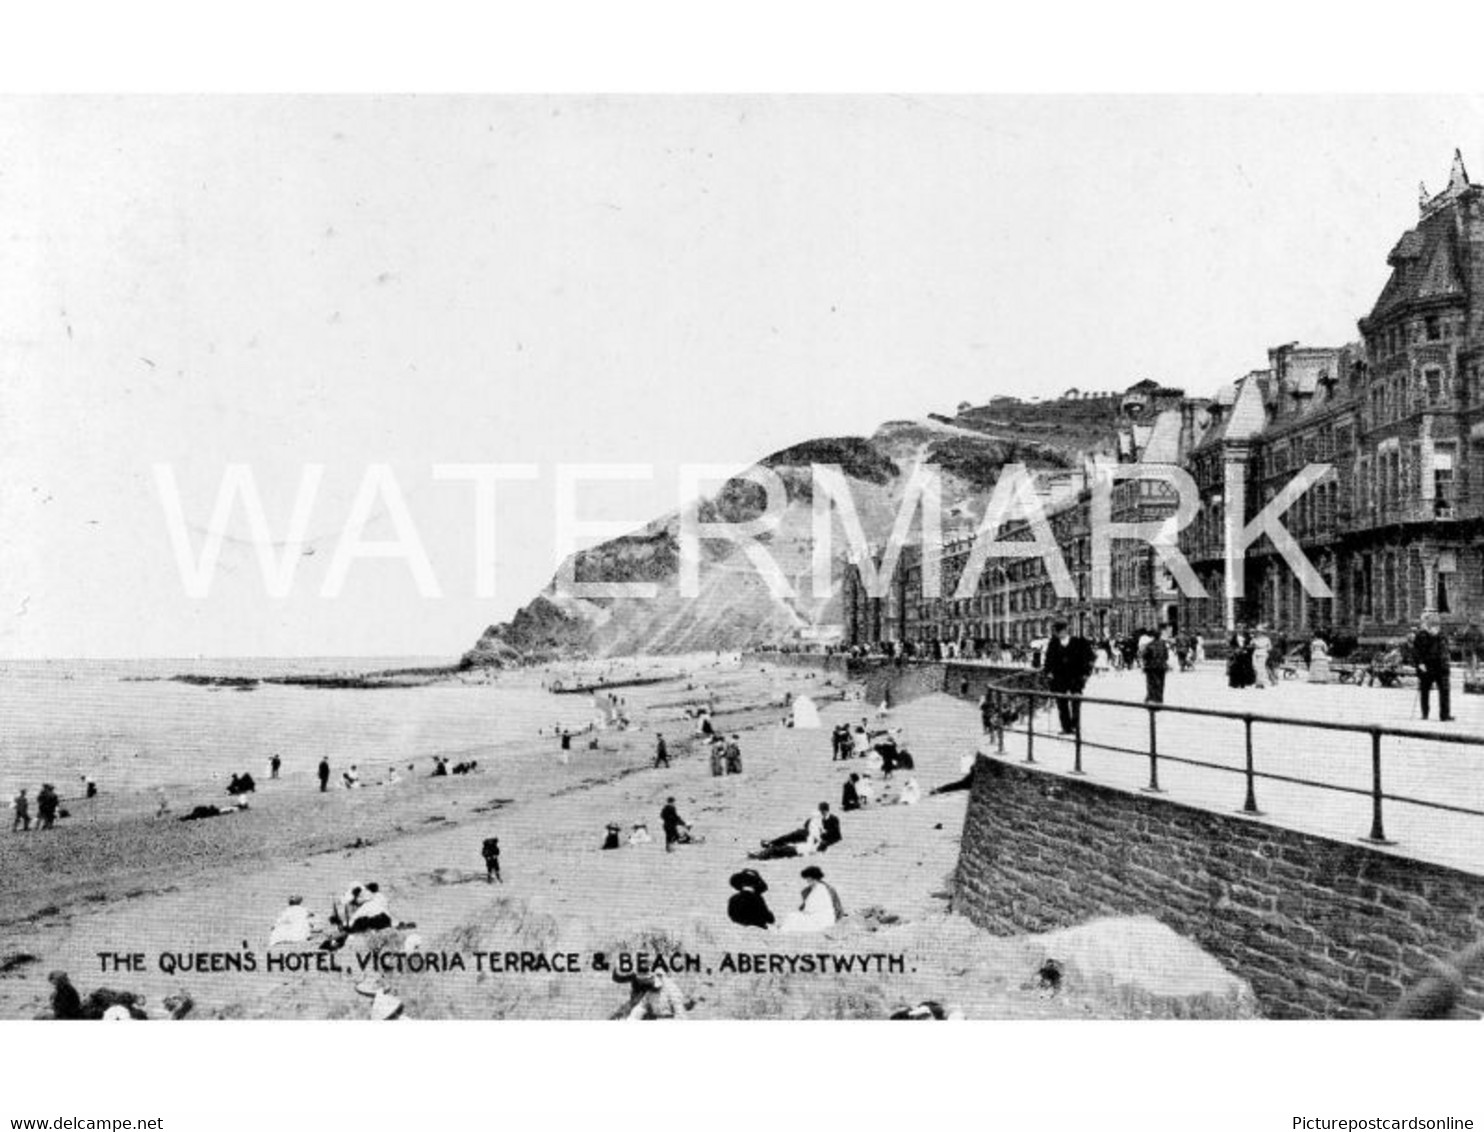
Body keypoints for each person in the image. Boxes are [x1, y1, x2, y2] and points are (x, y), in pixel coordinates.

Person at [1043, 620, 1094, 735]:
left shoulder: (1079, 642)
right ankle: (1066, 728)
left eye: (1060, 632)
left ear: (1065, 631)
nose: (1058, 635)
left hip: (1076, 677)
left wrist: (1086, 674)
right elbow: (1048, 660)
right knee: (1061, 703)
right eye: (1057, 632)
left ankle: (1075, 726)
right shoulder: (1053, 644)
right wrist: (1048, 672)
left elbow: (1088, 658)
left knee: (1076, 702)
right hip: (1059, 678)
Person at [1413, 613, 1454, 721]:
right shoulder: (1421, 635)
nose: (1435, 628)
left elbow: (1445, 650)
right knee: (1425, 691)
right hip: (1427, 667)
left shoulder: (1441, 635)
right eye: (1432, 625)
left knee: (1444, 691)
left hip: (1441, 667)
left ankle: (1445, 714)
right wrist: (1420, 664)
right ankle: (1425, 713)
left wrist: (1446, 664)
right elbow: (1417, 652)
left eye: (1436, 625)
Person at [781, 865, 844, 933]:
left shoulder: (821, 889)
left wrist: (803, 912)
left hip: (821, 919)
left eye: (809, 879)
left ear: (813, 879)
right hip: (821, 917)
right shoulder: (817, 888)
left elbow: (812, 908)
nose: (808, 882)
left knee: (793, 917)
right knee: (793, 916)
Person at [1140, 625, 1172, 705]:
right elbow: (1166, 656)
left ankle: (1151, 698)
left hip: (1151, 667)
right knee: (1160, 683)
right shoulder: (1163, 645)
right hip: (1161, 667)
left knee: (1151, 683)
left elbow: (1144, 656)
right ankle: (1159, 699)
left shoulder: (1149, 645)